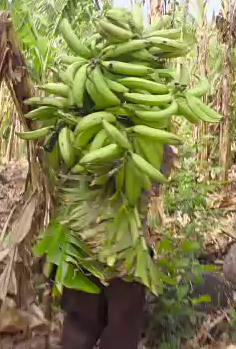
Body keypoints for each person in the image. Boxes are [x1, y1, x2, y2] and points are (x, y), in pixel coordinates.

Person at [59, 145, 177, 349]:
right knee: (121, 331)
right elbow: (159, 176)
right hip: (126, 250)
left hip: (84, 242)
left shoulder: (75, 132)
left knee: (79, 327)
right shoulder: (152, 140)